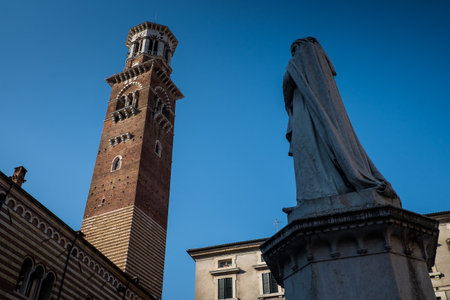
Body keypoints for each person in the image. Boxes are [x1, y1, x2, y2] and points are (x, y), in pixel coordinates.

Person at [283, 37, 397, 201]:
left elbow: (286, 86)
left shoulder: (294, 66)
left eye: (295, 51)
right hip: (316, 115)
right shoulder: (325, 78)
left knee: (311, 150)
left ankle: (319, 191)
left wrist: (289, 104)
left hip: (304, 114)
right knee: (327, 146)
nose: (295, 55)